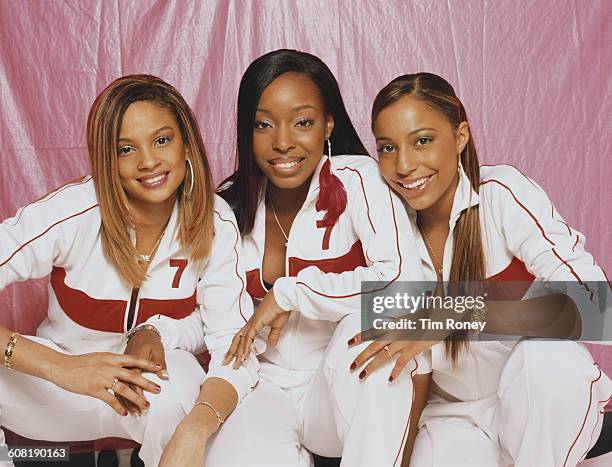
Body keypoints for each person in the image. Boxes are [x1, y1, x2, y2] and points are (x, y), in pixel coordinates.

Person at [350, 72, 612, 466]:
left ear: (460, 137)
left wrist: (455, 313)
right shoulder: (380, 224)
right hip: (451, 418)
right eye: (387, 148)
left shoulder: (501, 194)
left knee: (549, 362)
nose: (404, 165)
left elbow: (597, 308)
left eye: (422, 141)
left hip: (533, 401)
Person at [0, 75, 260, 467]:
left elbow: (230, 347)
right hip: (55, 387)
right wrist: (62, 367)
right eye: (125, 149)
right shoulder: (75, 211)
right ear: (108, 159)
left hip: (144, 393)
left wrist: (194, 429)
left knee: (182, 389)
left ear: (186, 143)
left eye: (161, 140)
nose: (148, 162)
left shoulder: (214, 222)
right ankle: (25, 460)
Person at [219, 49, 430, 467]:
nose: (282, 141)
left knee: (370, 326)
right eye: (263, 124)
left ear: (328, 124)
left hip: (335, 392)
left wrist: (291, 292)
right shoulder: (226, 207)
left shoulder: (358, 178)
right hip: (259, 390)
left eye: (302, 122)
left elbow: (406, 284)